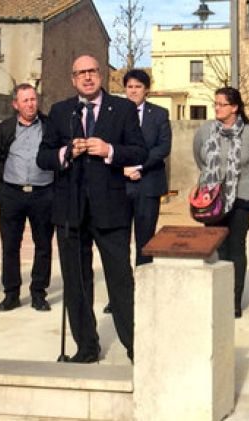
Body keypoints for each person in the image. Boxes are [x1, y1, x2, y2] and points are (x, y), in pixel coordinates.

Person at [36, 54, 147, 363]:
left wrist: (109, 150)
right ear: (73, 79)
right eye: (80, 73)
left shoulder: (123, 109)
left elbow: (139, 150)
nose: (87, 77)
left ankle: (136, 346)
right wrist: (64, 152)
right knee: (76, 281)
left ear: (102, 75)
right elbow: (43, 158)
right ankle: (86, 346)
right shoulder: (61, 112)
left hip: (111, 211)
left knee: (120, 280)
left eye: (92, 72)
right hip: (70, 211)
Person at [193, 87, 249, 319]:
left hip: (241, 199)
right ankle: (218, 296)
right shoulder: (205, 131)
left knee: (236, 247)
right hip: (212, 199)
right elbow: (199, 158)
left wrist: (243, 182)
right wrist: (214, 184)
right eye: (215, 103)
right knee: (217, 246)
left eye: (222, 104)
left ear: (235, 107)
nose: (217, 108)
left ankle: (234, 301)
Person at [102, 69, 171, 315]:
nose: (133, 91)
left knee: (145, 241)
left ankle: (143, 292)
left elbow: (163, 147)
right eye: (129, 86)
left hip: (147, 183)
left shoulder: (159, 114)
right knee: (118, 243)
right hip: (119, 185)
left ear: (147, 90)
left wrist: (139, 166)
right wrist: (122, 168)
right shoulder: (113, 113)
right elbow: (107, 145)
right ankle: (119, 297)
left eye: (138, 87)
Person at [0, 83, 54, 312]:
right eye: (25, 100)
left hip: (44, 193)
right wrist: (10, 179)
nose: (30, 104)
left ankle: (38, 293)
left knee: (43, 245)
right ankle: (11, 293)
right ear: (15, 104)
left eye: (33, 99)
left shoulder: (50, 127)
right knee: (10, 246)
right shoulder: (1, 130)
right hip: (12, 195)